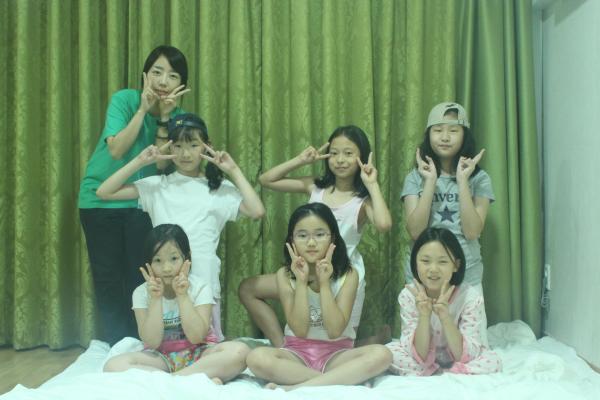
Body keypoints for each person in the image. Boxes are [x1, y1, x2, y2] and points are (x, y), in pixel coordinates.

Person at [96, 113, 265, 341]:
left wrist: (233, 170)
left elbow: (257, 211)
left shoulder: (219, 189)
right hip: (163, 283)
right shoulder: (158, 186)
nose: (185, 154)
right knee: (165, 346)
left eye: (193, 145)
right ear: (169, 147)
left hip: (203, 282)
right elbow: (104, 192)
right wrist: (140, 161)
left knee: (206, 344)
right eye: (178, 146)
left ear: (206, 146)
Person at [240, 125, 392, 347]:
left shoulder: (363, 201)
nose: (340, 160)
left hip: (341, 274)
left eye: (348, 153)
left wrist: (372, 184)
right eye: (334, 153)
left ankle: (368, 343)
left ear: (362, 157)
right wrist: (300, 160)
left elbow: (384, 224)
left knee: (338, 339)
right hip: (305, 269)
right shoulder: (316, 186)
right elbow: (266, 180)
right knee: (248, 288)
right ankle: (282, 346)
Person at [79, 45, 190, 344]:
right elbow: (116, 149)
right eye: (157, 72)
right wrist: (143, 110)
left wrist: (164, 118)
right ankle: (118, 345)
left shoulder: (179, 116)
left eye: (172, 76)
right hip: (99, 200)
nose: (163, 81)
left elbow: (163, 165)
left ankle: (140, 342)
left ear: (182, 84)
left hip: (142, 204)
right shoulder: (125, 100)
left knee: (139, 275)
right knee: (108, 278)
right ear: (145, 75)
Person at [246, 203, 392, 390]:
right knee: (256, 358)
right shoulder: (284, 275)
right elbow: (299, 330)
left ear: (333, 238)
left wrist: (324, 284)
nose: (311, 243)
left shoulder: (349, 274)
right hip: (296, 354)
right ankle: (335, 380)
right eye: (302, 235)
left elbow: (334, 330)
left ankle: (297, 387)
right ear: (292, 240)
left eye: (320, 234)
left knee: (382, 354)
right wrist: (301, 281)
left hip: (337, 353)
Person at [103, 224, 250, 383]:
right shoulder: (141, 293)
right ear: (148, 263)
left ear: (187, 258)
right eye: (158, 260)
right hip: (161, 357)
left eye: (174, 259)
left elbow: (196, 337)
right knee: (113, 365)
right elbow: (152, 342)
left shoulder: (200, 287)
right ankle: (196, 378)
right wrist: (156, 299)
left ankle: (173, 380)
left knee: (240, 351)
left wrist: (182, 295)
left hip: (200, 353)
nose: (167, 268)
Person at [402, 102, 494, 289]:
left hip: (467, 273)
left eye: (453, 131)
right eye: (438, 130)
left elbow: (472, 232)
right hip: (423, 273)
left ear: (464, 135)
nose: (445, 137)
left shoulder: (479, 179)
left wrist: (462, 181)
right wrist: (430, 181)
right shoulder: (415, 178)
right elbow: (415, 232)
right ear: (428, 134)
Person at [386, 227, 501, 375]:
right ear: (415, 263)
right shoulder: (408, 296)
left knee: (493, 361)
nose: (433, 269)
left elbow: (466, 354)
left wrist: (445, 317)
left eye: (442, 262)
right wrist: (424, 315)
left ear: (456, 265)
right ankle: (436, 369)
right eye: (425, 261)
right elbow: (418, 353)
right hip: (422, 358)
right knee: (389, 353)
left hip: (457, 357)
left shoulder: (470, 297)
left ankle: (443, 370)